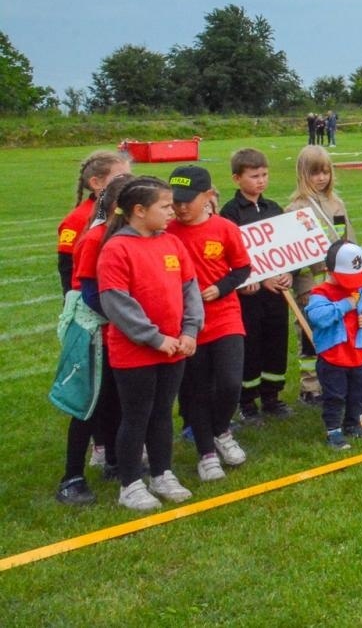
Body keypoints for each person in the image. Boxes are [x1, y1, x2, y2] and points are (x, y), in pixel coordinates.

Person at [95, 175, 202, 512]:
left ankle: (162, 473)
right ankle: (130, 484)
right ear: (139, 211)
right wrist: (155, 338)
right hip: (136, 353)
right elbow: (116, 303)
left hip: (175, 348)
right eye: (165, 206)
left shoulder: (171, 243)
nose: (173, 211)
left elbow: (190, 289)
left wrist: (189, 331)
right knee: (136, 416)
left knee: (162, 414)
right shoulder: (116, 249)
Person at [165, 165, 252, 484]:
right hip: (186, 325)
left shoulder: (225, 228)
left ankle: (220, 430)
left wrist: (222, 287)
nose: (181, 207)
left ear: (208, 197)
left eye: (189, 200)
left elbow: (242, 268)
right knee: (196, 389)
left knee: (230, 383)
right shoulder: (166, 232)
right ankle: (206, 453)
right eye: (175, 201)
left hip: (225, 316)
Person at [54, 174, 133, 506]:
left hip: (119, 330)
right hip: (93, 333)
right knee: (87, 404)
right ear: (120, 207)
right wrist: (130, 317)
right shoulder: (93, 239)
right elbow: (89, 292)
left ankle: (114, 460)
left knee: (115, 399)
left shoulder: (129, 238)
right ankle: (71, 477)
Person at [220, 148, 292, 422]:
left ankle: (272, 396)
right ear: (237, 179)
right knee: (251, 345)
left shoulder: (274, 208)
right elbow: (231, 253)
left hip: (277, 294)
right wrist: (257, 279)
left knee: (276, 342)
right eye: (254, 176)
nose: (260, 181)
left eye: (264, 175)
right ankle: (247, 401)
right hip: (249, 296)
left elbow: (288, 247)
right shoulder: (231, 212)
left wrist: (289, 273)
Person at [286, 144, 352, 405]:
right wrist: (303, 288)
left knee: (338, 332)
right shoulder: (294, 209)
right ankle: (310, 385)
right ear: (303, 174)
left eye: (325, 171)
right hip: (311, 288)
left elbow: (348, 240)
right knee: (310, 336)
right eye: (315, 173)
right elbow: (293, 257)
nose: (321, 177)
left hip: (337, 284)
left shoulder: (337, 204)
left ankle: (335, 378)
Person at [304, 240, 362, 450]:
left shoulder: (361, 291)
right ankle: (333, 431)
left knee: (359, 392)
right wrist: (346, 305)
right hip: (333, 358)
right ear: (330, 271)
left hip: (358, 355)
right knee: (335, 396)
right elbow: (318, 317)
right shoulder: (320, 293)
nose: (353, 284)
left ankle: (353, 423)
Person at [57, 150, 131, 295]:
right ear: (96, 182)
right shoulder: (77, 220)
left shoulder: (128, 210)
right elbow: (67, 268)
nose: (127, 182)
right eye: (120, 177)